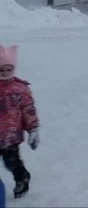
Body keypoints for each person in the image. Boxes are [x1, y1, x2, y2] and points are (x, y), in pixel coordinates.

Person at [0, 45, 39, 199]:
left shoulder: (20, 88)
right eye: (0, 70)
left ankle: (22, 177)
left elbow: (28, 110)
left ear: (14, 68)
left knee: (11, 162)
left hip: (10, 136)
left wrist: (33, 129)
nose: (4, 73)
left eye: (8, 69)